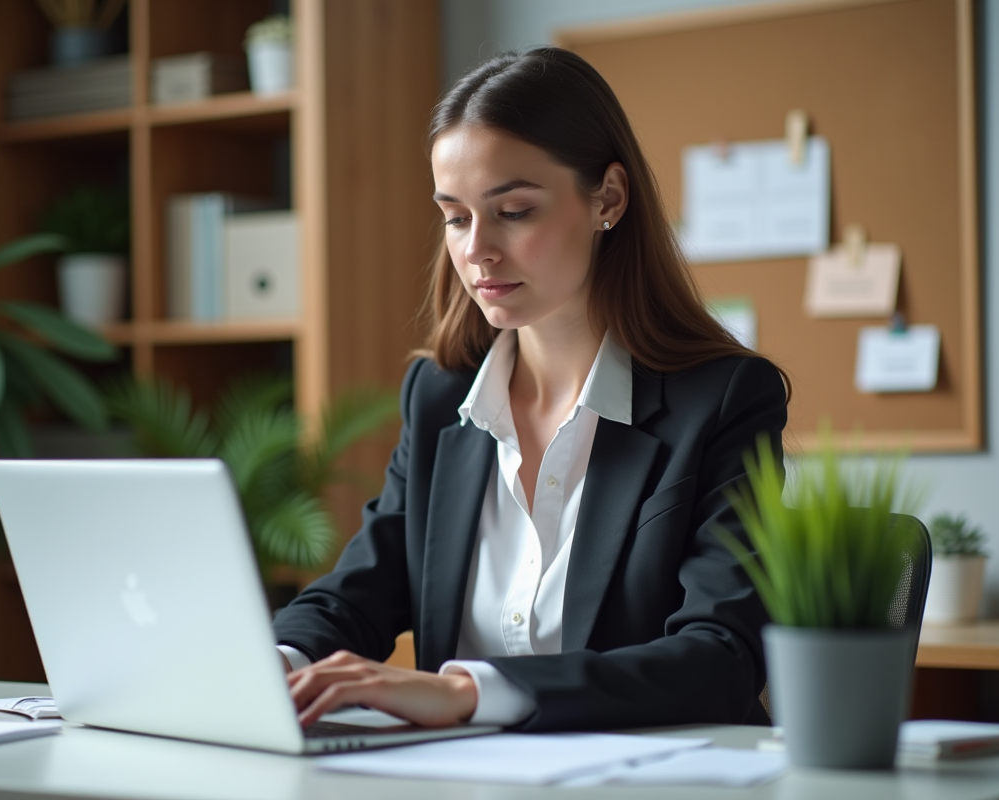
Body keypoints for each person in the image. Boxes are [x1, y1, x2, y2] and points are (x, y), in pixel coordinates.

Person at [272, 46, 789, 733]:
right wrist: (276, 661)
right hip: (461, 774)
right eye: (456, 217)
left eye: (514, 211)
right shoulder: (439, 396)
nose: (477, 250)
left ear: (608, 199)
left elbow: (720, 658)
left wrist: (470, 692)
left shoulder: (723, 401)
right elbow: (360, 591)